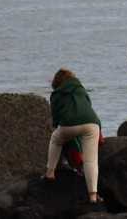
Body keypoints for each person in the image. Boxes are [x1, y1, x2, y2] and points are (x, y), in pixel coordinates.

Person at [45, 69, 102, 205]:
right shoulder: (81, 89)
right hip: (92, 123)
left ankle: (50, 172)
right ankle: (93, 196)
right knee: (91, 161)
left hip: (69, 124)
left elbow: (56, 117)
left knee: (56, 139)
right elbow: (88, 106)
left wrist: (57, 125)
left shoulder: (56, 94)